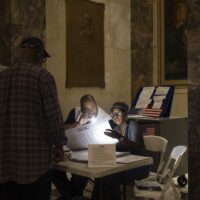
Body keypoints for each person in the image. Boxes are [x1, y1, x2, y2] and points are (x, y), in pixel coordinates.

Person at [0, 37, 66, 200]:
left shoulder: (3, 76)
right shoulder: (42, 76)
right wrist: (59, 144)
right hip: (34, 163)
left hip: (5, 161)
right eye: (43, 58)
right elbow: (53, 115)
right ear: (38, 54)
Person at [52, 94, 110, 200]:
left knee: (80, 174)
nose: (90, 111)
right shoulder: (75, 112)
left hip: (95, 153)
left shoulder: (105, 117)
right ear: (82, 108)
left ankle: (69, 197)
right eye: (86, 109)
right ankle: (73, 196)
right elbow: (62, 128)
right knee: (54, 170)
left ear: (96, 105)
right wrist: (77, 124)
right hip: (73, 150)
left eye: (93, 107)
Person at [91, 101, 150, 200]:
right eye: (113, 115)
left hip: (139, 166)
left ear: (126, 114)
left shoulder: (132, 126)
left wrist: (119, 137)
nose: (115, 117)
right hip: (124, 165)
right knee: (100, 177)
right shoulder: (115, 130)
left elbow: (136, 147)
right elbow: (114, 148)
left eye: (118, 114)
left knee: (109, 177)